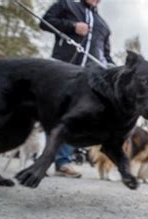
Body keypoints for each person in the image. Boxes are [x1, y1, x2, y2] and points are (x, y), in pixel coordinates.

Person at [40, 0, 114, 178]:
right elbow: (45, 22)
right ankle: (43, 159)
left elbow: (106, 54)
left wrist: (112, 70)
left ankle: (63, 162)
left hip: (88, 76)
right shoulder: (67, 5)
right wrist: (72, 26)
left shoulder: (104, 25)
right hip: (63, 68)